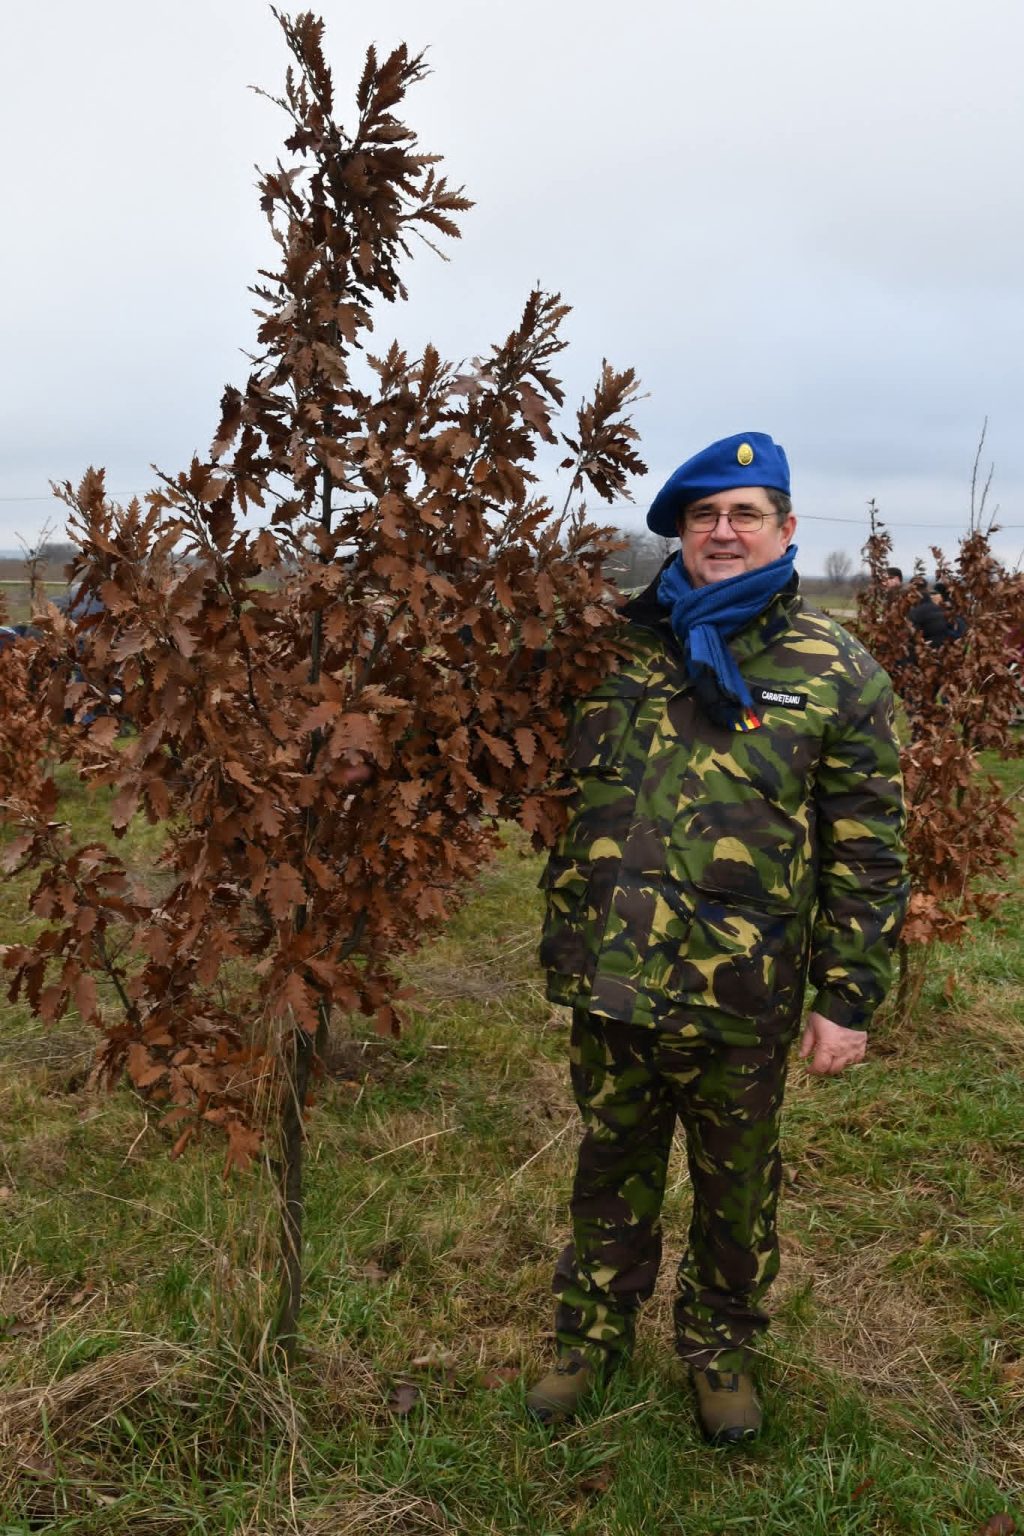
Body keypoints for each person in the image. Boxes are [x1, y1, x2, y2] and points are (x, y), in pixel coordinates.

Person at [526, 431, 908, 1444]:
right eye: (704, 515)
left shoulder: (834, 669)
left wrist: (846, 998)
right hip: (612, 975)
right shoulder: (613, 651)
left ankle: (721, 1350)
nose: (723, 531)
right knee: (610, 1163)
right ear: (679, 534)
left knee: (736, 1184)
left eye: (745, 513)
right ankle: (589, 1336)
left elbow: (867, 852)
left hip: (743, 989)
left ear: (784, 530)